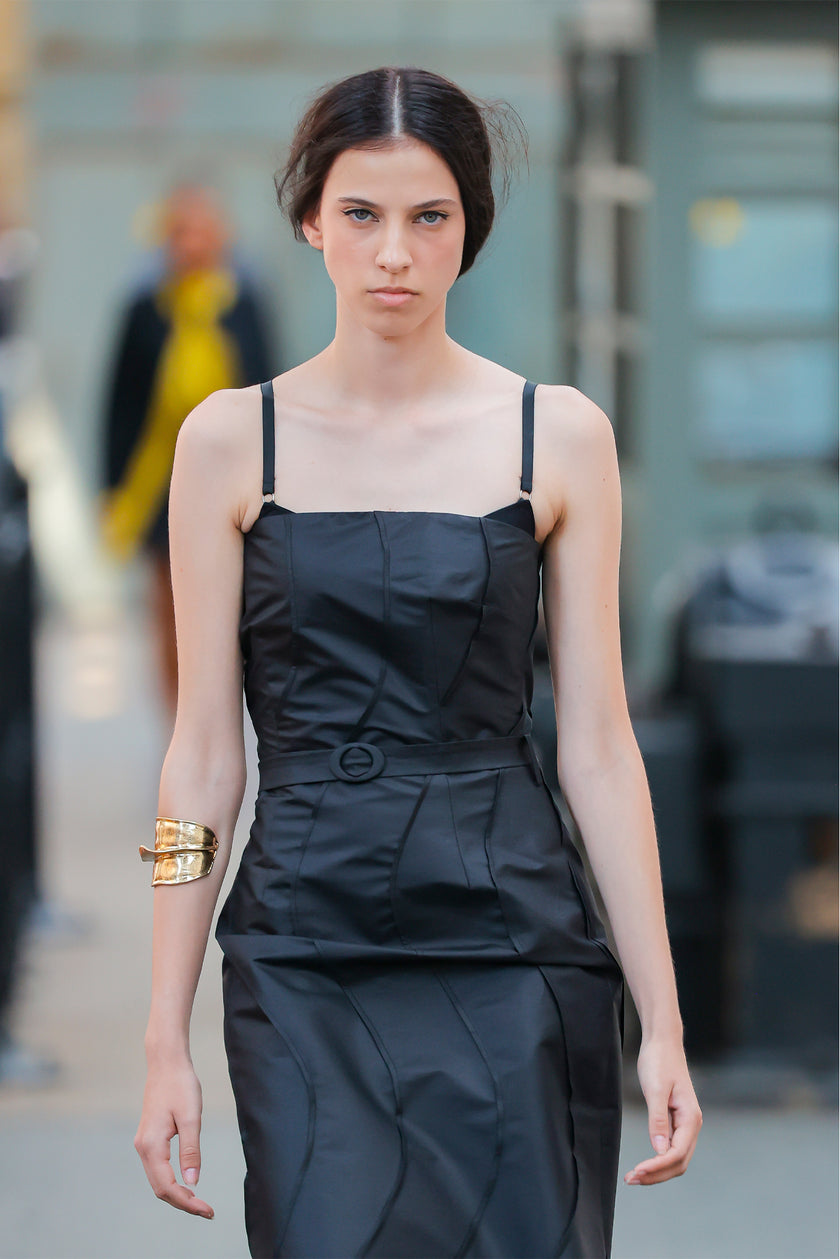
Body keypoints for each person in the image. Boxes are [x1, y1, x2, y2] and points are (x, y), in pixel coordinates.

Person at [133, 66, 702, 1258]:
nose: (394, 251)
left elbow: (598, 745)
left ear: (470, 231)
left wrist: (663, 1015)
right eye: (362, 214)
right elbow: (198, 759)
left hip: (512, 939)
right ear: (309, 220)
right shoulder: (231, 440)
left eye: (429, 216)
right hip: (303, 947)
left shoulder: (561, 435)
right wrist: (160, 1032)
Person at [98, 180, 273, 720]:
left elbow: (268, 387)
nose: (192, 243)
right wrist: (111, 489)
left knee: (238, 601)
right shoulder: (145, 310)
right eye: (181, 232)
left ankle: (227, 708)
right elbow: (120, 402)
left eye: (202, 230)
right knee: (169, 603)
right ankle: (179, 714)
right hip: (161, 482)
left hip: (236, 478)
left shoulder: (243, 305)